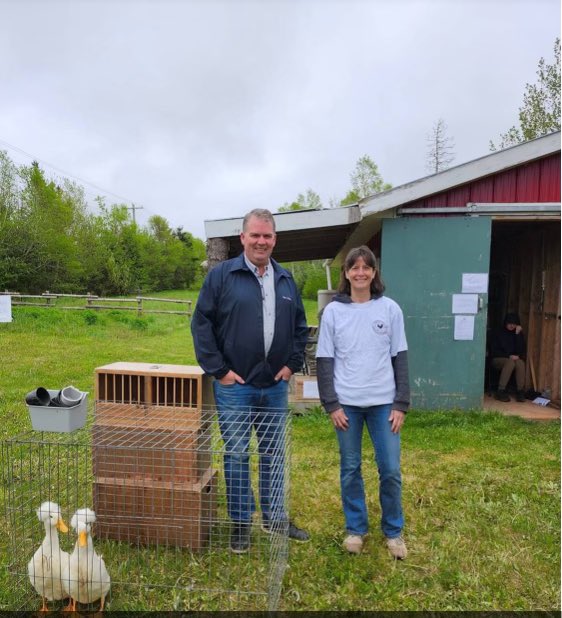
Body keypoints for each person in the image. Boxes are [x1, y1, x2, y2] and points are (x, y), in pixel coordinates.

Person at [191, 208, 310, 553]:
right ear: (242, 238)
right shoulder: (223, 276)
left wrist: (290, 365)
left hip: (274, 386)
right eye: (255, 235)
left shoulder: (286, 280)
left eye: (267, 236)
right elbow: (202, 324)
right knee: (238, 454)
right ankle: (241, 523)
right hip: (235, 387)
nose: (261, 241)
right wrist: (220, 371)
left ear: (275, 239)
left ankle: (275, 518)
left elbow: (300, 328)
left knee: (274, 453)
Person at [316, 245, 410, 559]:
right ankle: (356, 529)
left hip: (384, 403)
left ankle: (393, 531)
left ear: (373, 273)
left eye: (365, 267)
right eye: (353, 267)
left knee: (390, 469)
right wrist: (332, 403)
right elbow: (324, 360)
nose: (360, 273)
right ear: (346, 273)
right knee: (350, 468)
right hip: (348, 405)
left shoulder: (390, 309)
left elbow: (401, 357)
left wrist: (401, 403)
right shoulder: (333, 311)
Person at [490, 312, 526, 402]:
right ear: (506, 322)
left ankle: (520, 391)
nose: (511, 325)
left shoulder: (516, 333)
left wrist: (518, 334)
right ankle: (501, 390)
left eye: (514, 323)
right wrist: (508, 356)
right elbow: (494, 350)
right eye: (510, 323)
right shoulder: (498, 332)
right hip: (498, 358)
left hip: (512, 359)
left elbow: (520, 350)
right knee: (510, 362)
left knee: (520, 363)